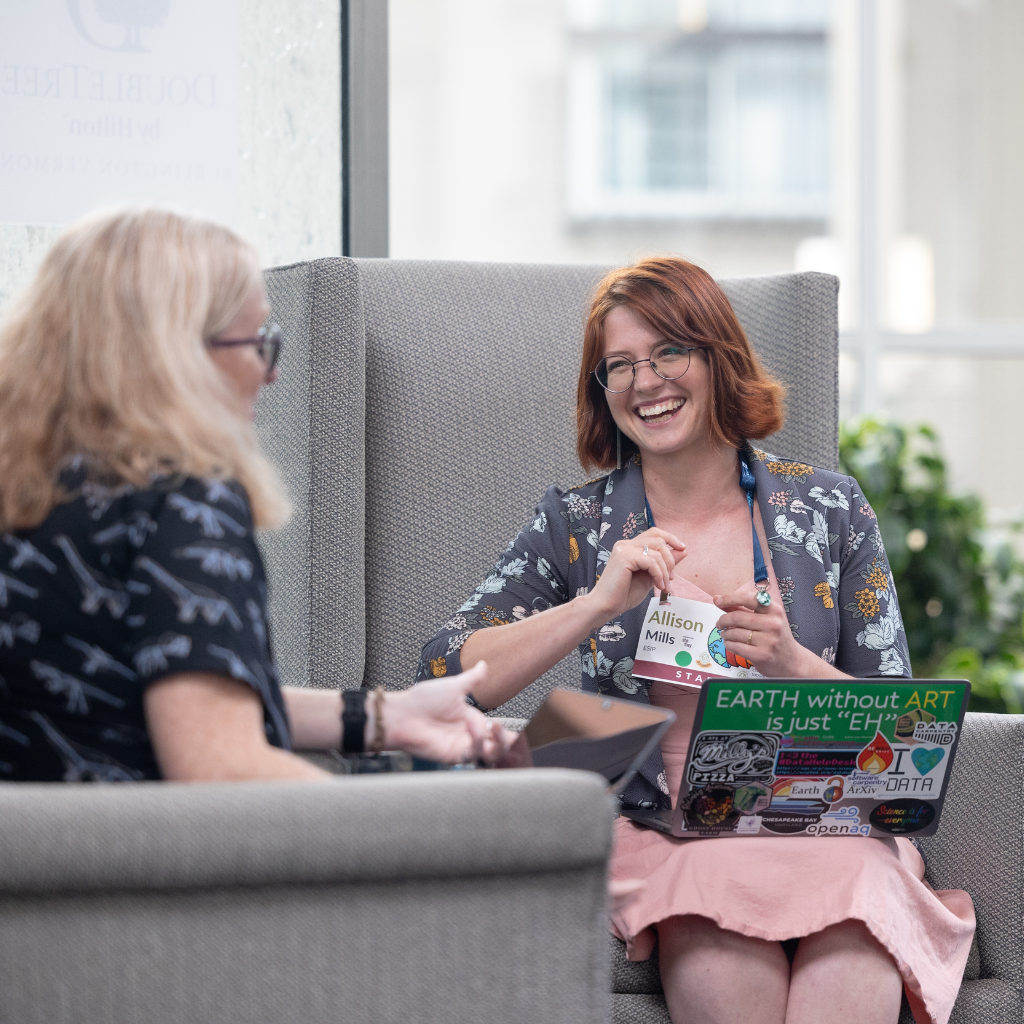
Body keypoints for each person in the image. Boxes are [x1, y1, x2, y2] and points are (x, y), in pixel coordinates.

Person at [418, 257, 975, 1024]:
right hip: (669, 826)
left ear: (718, 358)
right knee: (716, 938)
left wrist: (792, 664)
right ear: (602, 392)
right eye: (620, 366)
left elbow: (904, 732)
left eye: (669, 352)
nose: (646, 382)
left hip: (822, 819)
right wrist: (595, 603)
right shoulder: (577, 526)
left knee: (857, 931)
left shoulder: (830, 508)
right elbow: (445, 670)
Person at [0, 208, 508, 783]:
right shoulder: (180, 498)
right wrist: (435, 829)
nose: (272, 374)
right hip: (137, 863)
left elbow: (153, 704)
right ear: (181, 356)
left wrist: (385, 715)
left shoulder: (35, 486)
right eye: (260, 340)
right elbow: (219, 765)